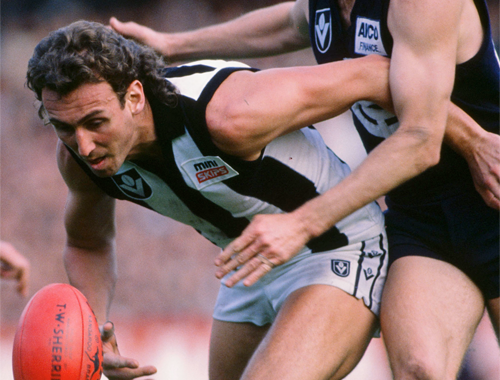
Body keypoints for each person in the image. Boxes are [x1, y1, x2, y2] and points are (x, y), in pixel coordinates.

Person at [110, 1, 500, 379]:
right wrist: (172, 45)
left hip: (493, 201)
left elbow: (420, 139)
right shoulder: (326, 6)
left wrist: (302, 223)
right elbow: (287, 23)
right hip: (423, 214)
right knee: (420, 369)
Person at [27, 20, 398, 380]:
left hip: (337, 245)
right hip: (250, 266)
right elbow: (87, 243)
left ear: (135, 97)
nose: (83, 145)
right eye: (64, 127)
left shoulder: (228, 112)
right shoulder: (77, 158)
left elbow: (372, 74)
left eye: (95, 122)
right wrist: (92, 331)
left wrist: (450, 135)